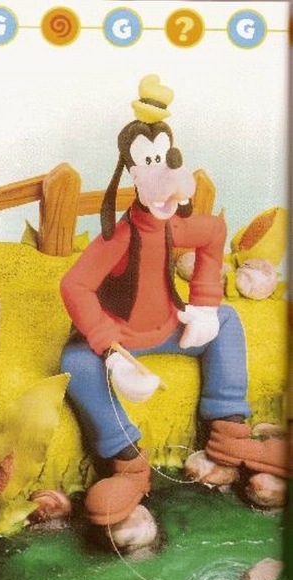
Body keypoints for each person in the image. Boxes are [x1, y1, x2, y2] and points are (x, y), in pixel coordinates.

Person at [60, 75, 287, 530]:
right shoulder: (118, 237)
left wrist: (203, 302)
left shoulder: (174, 227)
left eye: (164, 158)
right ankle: (128, 462)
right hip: (122, 341)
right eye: (149, 161)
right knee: (74, 362)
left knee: (227, 319)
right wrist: (110, 349)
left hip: (170, 327)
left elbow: (214, 233)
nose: (161, 170)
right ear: (132, 173)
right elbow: (75, 286)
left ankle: (230, 433)